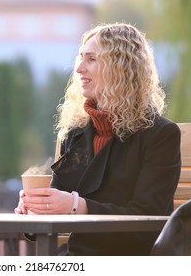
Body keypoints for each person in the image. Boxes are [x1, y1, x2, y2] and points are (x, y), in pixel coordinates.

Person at [15, 23, 181, 255]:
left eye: (91, 59)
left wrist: (77, 206)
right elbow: (54, 205)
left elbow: (151, 216)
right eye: (81, 59)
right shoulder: (76, 133)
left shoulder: (160, 134)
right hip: (77, 259)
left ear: (121, 68)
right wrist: (37, 207)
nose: (79, 68)